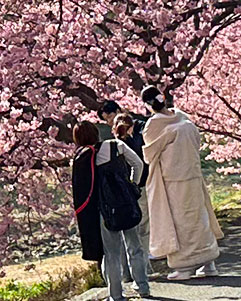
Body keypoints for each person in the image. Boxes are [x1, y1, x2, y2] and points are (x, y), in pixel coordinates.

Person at [140, 86, 223, 280]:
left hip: (173, 180)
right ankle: (208, 262)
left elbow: (149, 153)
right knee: (199, 216)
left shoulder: (154, 124)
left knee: (180, 221)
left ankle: (185, 266)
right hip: (192, 175)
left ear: (148, 105)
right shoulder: (184, 118)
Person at [71, 121, 152, 300]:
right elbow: (138, 164)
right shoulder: (116, 145)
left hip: (104, 211)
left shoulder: (82, 157)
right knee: (135, 246)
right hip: (125, 203)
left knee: (112, 254)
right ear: (96, 132)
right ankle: (143, 286)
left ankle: (116, 295)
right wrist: (132, 186)